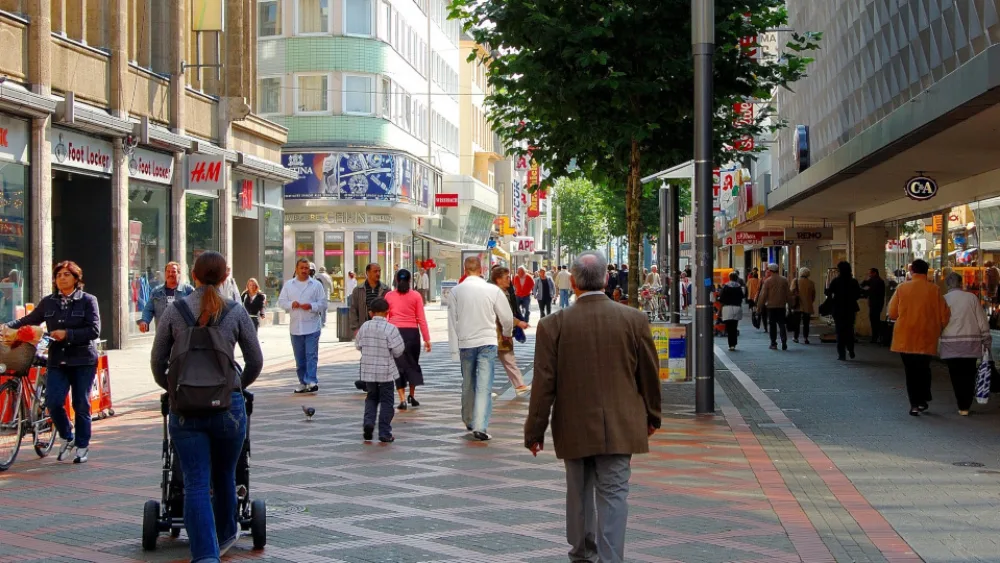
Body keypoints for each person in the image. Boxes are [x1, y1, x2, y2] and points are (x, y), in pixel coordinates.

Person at [525, 251, 662, 563]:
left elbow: (543, 384)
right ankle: (611, 558)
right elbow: (649, 374)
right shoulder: (634, 320)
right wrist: (653, 416)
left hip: (572, 424)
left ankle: (582, 553)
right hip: (621, 424)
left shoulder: (552, 325)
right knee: (614, 493)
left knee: (578, 491)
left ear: (573, 282)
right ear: (606, 279)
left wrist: (534, 431)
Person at [150, 251, 262, 562]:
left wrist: (175, 390)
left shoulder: (175, 311)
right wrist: (235, 387)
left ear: (193, 276)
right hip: (228, 408)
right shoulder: (236, 311)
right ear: (226, 277)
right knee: (226, 474)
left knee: (196, 482)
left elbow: (157, 361)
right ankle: (225, 536)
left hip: (186, 409)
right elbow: (255, 361)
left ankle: (206, 556)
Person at [6, 261, 100, 464]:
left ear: (76, 278)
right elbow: (28, 320)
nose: (62, 278)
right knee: (53, 401)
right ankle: (67, 435)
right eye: (58, 275)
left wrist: (68, 334)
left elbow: (94, 330)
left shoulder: (88, 300)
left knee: (81, 403)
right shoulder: (49, 302)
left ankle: (82, 446)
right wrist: (6, 326)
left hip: (83, 360)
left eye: (66, 274)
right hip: (58, 360)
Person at [448, 256, 513, 441]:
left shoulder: (455, 292)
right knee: (484, 385)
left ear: (464, 269)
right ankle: (480, 426)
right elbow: (507, 317)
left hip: (466, 342)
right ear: (481, 269)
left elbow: (452, 321)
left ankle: (468, 418)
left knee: (468, 382)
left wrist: (454, 349)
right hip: (487, 341)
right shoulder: (492, 290)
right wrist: (507, 333)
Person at [888, 259, 950, 416]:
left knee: (910, 372)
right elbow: (944, 316)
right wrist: (937, 327)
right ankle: (923, 398)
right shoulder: (934, 290)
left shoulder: (902, 288)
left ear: (912, 271)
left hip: (905, 336)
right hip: (927, 336)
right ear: (926, 272)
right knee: (923, 368)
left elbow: (892, 313)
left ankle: (914, 404)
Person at [940, 272, 991, 416]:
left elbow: (939, 322)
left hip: (950, 344)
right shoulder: (971, 298)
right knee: (969, 375)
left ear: (947, 285)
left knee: (955, 376)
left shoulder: (943, 299)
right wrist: (986, 339)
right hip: (971, 343)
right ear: (961, 283)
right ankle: (966, 405)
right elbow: (982, 320)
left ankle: (961, 405)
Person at [356, 297, 405, 443]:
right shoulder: (391, 329)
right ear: (387, 312)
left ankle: (368, 423)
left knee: (371, 398)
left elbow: (358, 345)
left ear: (371, 313)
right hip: (386, 372)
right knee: (386, 402)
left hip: (368, 371)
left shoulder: (365, 327)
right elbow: (398, 350)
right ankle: (385, 433)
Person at [278, 258, 328, 393]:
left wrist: (311, 306)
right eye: (302, 268)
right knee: (300, 358)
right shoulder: (289, 285)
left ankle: (311, 380)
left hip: (312, 326)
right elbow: (281, 302)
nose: (304, 270)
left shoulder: (316, 285)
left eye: (307, 268)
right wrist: (291, 304)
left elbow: (323, 304)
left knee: (311, 355)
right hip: (296, 327)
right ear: (296, 269)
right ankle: (302, 382)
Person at [385, 269, 431, 411]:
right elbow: (421, 319)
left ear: (396, 280)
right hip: (412, 334)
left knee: (398, 367)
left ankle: (402, 399)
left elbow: (386, 318)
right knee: (412, 364)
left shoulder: (389, 296)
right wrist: (427, 339)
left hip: (395, 333)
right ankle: (412, 395)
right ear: (410, 280)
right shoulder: (416, 296)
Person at [491, 266, 532, 394]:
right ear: (498, 279)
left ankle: (519, 385)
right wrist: (516, 324)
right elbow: (504, 315)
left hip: (499, 332)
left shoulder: (505, 292)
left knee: (507, 359)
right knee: (489, 362)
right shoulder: (498, 293)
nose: (509, 280)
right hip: (497, 332)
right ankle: (483, 390)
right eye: (506, 277)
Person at [138, 262, 194, 333]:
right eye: (168, 271)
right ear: (165, 273)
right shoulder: (156, 292)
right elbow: (148, 309)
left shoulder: (188, 290)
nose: (170, 274)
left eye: (173, 272)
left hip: (183, 334)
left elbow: (197, 309)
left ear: (179, 274)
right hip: (163, 334)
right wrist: (145, 321)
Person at [826, 262, 863, 361]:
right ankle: (850, 349)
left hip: (838, 309)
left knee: (839, 331)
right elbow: (858, 295)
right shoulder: (853, 282)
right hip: (850, 309)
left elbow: (829, 292)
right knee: (849, 330)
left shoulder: (836, 281)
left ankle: (841, 354)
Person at [757, 263, 790, 350]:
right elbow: (788, 294)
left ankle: (773, 343)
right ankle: (784, 341)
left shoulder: (768, 281)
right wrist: (791, 304)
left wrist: (759, 306)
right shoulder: (784, 280)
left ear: (770, 271)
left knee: (772, 325)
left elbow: (763, 295)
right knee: (782, 324)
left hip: (771, 306)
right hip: (781, 306)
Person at [349, 263, 390, 335]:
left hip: (381, 329)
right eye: (375, 271)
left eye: (379, 271)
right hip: (363, 329)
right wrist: (355, 328)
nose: (378, 273)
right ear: (367, 273)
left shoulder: (386, 290)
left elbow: (390, 309)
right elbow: (353, 310)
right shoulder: (358, 290)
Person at [860, 268, 887, 344]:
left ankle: (876, 337)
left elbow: (870, 291)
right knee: (874, 319)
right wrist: (865, 280)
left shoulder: (878, 281)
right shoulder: (873, 280)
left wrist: (862, 292)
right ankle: (876, 336)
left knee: (874, 320)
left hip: (876, 303)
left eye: (870, 273)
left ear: (874, 273)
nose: (869, 275)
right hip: (875, 303)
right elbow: (864, 284)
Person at [719, 271, 744, 351]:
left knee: (729, 327)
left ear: (729, 278)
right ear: (736, 278)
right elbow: (742, 296)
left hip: (727, 308)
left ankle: (731, 344)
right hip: (737, 308)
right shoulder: (739, 287)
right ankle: (734, 343)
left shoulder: (725, 286)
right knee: (734, 326)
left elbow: (721, 298)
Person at [791, 268, 816, 344]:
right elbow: (813, 295)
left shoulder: (795, 281)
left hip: (798, 305)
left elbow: (791, 292)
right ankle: (806, 338)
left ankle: (796, 337)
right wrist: (809, 302)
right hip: (807, 305)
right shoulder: (811, 283)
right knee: (806, 323)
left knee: (797, 323)